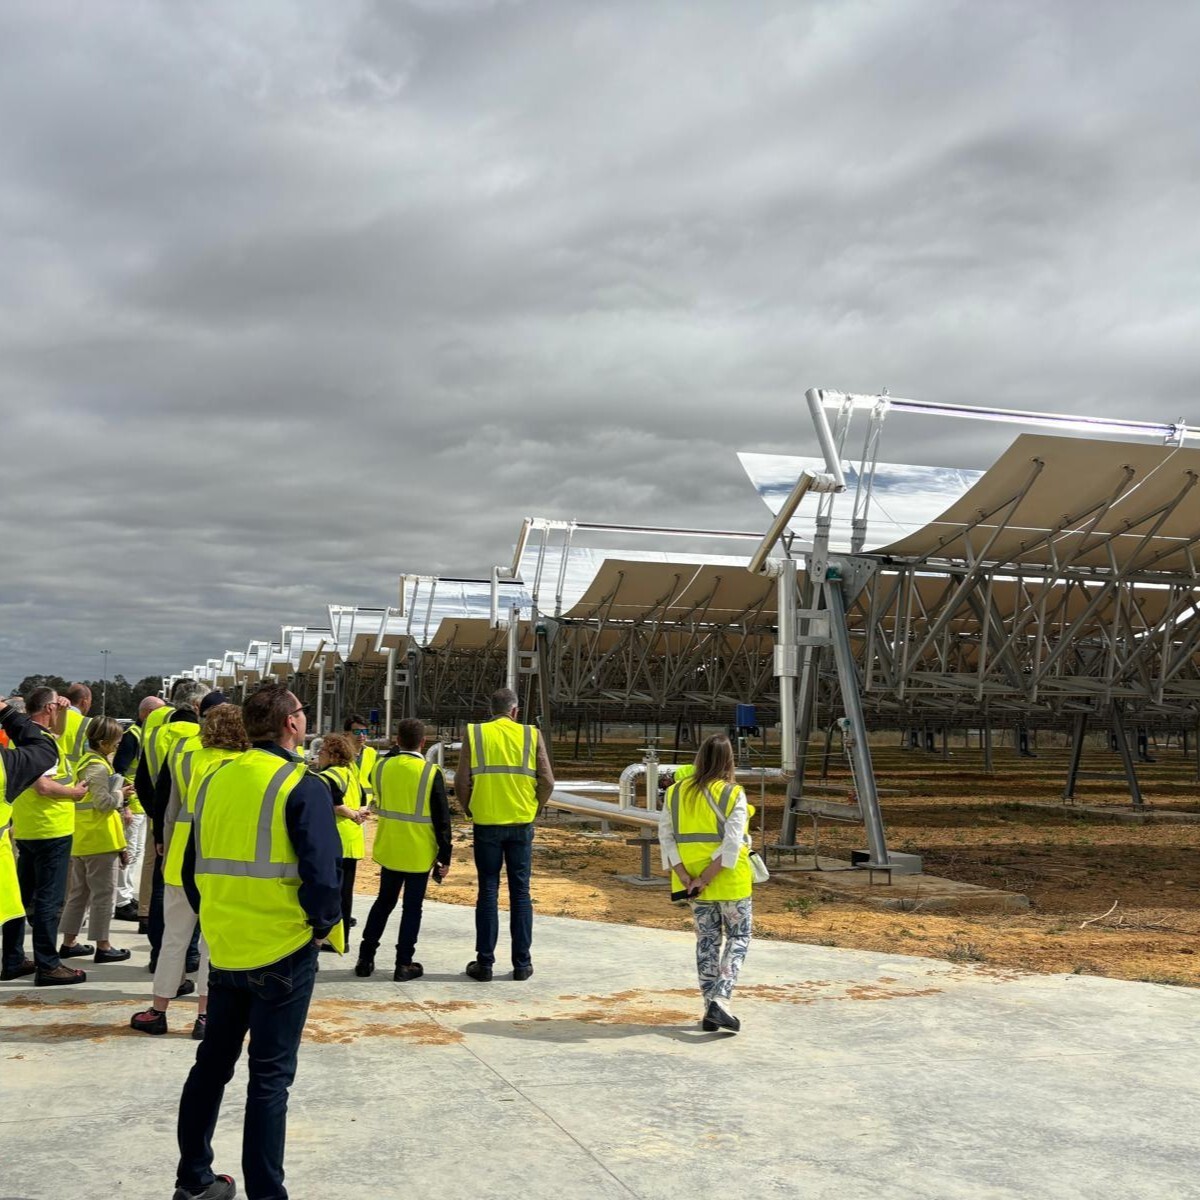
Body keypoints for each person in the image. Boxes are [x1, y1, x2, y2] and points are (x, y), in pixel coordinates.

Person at [173, 683, 343, 1200]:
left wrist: (219, 919)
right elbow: (324, 876)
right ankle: (267, 1194)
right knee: (269, 1080)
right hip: (283, 950)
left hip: (226, 947)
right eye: (302, 712)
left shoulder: (216, 778)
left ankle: (194, 1179)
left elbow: (190, 867)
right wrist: (319, 927)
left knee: (212, 1065)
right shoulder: (302, 784)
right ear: (291, 724)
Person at [132, 698, 245, 1039]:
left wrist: (163, 844)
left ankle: (158, 1010)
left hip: (182, 853)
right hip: (223, 857)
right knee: (213, 943)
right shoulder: (245, 764)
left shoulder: (183, 756)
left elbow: (167, 809)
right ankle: (205, 1015)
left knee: (175, 938)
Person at [658, 733, 754, 1034]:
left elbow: (666, 836)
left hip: (693, 883)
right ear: (729, 760)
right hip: (729, 880)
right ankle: (721, 1001)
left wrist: (687, 876)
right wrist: (706, 877)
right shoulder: (732, 793)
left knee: (706, 942)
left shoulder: (675, 793)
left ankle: (708, 1006)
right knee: (739, 936)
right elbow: (732, 844)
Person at [456, 687, 554, 982]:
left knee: (488, 891)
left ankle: (484, 964)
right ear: (515, 711)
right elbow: (547, 781)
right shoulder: (531, 734)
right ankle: (522, 964)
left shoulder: (475, 734)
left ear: (491, 709)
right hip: (521, 824)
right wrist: (533, 808)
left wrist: (470, 808)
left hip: (487, 823)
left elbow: (462, 780)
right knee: (521, 892)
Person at [355, 718, 452, 981]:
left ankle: (365, 958)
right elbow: (443, 819)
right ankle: (403, 963)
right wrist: (445, 855)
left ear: (397, 740)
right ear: (423, 742)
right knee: (412, 908)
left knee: (383, 902)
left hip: (390, 847)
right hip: (419, 852)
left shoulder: (381, 766)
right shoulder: (431, 773)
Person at [8, 688, 91, 986]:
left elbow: (59, 728)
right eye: (57, 706)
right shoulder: (41, 742)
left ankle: (13, 958)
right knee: (48, 900)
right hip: (51, 828)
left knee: (20, 898)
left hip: (29, 827)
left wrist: (63, 709)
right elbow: (43, 786)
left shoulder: (26, 736)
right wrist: (75, 793)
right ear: (48, 709)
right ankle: (48, 964)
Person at [142, 680, 209, 971]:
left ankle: (160, 954)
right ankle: (190, 955)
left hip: (162, 822)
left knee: (163, 890)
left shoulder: (155, 731)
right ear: (196, 706)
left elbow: (145, 783)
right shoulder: (199, 737)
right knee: (192, 894)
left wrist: (158, 823)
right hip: (193, 823)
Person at [59, 716, 133, 964]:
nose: (118, 746)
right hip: (100, 840)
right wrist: (119, 793)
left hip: (83, 837)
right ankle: (103, 945)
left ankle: (69, 942)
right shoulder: (99, 767)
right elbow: (104, 803)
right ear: (103, 742)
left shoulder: (86, 761)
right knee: (104, 894)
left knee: (79, 893)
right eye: (115, 742)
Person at [0, 694, 60, 980]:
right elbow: (45, 749)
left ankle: (14, 959)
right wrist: (8, 714)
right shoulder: (5, 766)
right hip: (46, 829)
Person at [112, 695, 165, 923]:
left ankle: (126, 895)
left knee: (138, 854)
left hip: (143, 804)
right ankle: (121, 900)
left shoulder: (148, 736)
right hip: (132, 804)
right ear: (147, 713)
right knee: (130, 854)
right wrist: (124, 806)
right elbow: (119, 771)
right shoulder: (133, 736)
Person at [314, 733, 368, 951]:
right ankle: (342, 939)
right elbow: (364, 800)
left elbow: (335, 804)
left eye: (322, 751)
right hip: (353, 841)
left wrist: (351, 814)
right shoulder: (350, 774)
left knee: (330, 894)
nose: (318, 754)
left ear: (334, 755)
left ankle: (330, 937)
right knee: (345, 895)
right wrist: (359, 813)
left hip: (336, 840)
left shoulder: (329, 776)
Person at [345, 714, 378, 806]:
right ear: (346, 733)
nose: (361, 735)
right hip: (347, 806)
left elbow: (377, 781)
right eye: (356, 732)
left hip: (367, 807)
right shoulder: (338, 755)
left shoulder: (372, 753)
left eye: (365, 731)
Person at [60, 682, 93, 773]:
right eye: (90, 702)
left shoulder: (53, 716)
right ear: (84, 702)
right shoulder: (88, 723)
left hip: (47, 777)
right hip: (73, 780)